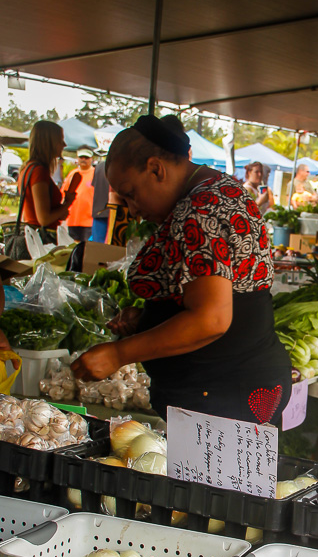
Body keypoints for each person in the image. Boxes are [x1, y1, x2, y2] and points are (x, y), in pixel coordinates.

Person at [71, 115, 292, 425]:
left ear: (155, 169)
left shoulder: (200, 209)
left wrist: (119, 355)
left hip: (222, 388)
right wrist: (151, 319)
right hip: (235, 382)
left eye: (131, 194)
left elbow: (211, 319)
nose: (132, 211)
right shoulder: (219, 187)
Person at [16, 120, 76, 239]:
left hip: (33, 237)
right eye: (60, 140)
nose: (64, 144)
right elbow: (44, 219)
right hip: (41, 240)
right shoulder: (39, 171)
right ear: (49, 142)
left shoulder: (28, 168)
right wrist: (68, 203)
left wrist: (61, 209)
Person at [61, 148, 95, 242]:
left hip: (88, 220)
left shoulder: (94, 174)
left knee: (86, 248)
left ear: (91, 159)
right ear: (77, 158)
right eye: (81, 157)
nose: (83, 159)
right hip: (73, 219)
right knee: (73, 247)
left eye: (86, 157)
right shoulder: (73, 174)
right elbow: (64, 193)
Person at [90, 150, 110, 242]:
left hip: (99, 211)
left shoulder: (99, 166)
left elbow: (94, 185)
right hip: (115, 212)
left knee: (98, 246)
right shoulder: (121, 167)